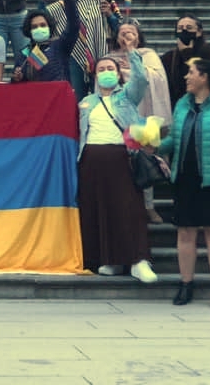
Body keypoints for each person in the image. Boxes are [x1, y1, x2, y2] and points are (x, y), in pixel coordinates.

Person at [158, 58, 210, 309]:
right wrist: (154, 144)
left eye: (191, 73)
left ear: (204, 77)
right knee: (185, 232)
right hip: (185, 178)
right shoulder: (182, 106)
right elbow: (173, 139)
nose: (186, 77)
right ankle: (186, 284)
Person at [77, 51, 157, 284]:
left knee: (128, 209)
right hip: (91, 160)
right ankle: (109, 259)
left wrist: (132, 56)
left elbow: (141, 80)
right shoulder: (86, 102)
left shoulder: (127, 96)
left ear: (119, 73)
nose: (106, 73)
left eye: (110, 69)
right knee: (100, 209)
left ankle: (138, 260)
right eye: (101, 69)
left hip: (123, 158)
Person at [110, 20, 174, 224]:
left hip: (145, 113)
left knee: (145, 159)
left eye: (131, 32)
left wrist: (133, 61)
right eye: (123, 32)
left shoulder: (148, 55)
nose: (127, 35)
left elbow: (156, 79)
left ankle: (149, 206)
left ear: (139, 37)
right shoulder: (110, 57)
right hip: (120, 114)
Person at [42, 0, 120, 99]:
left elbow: (120, 28)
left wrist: (109, 15)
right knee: (77, 97)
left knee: (103, 95)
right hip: (75, 57)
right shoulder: (67, 3)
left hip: (101, 54)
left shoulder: (107, 1)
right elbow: (44, 15)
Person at [11, 0, 79, 84]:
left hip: (58, 95)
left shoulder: (60, 45)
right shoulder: (25, 53)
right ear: (29, 31)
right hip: (35, 97)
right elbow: (16, 84)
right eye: (34, 27)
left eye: (43, 25)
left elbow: (74, 26)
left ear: (49, 27)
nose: (39, 28)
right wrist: (17, 78)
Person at [160, 14, 210, 106]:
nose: (184, 31)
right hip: (177, 106)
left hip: (203, 104)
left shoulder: (208, 53)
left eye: (189, 28)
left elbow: (204, 77)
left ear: (199, 32)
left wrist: (187, 53)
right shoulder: (169, 57)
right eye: (180, 28)